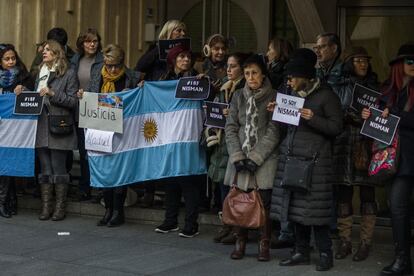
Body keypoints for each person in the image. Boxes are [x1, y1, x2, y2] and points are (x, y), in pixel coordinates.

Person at [270, 48, 343, 271]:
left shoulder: (326, 95)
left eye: (292, 78)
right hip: (292, 159)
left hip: (315, 163)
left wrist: (314, 118)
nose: (289, 82)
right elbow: (286, 127)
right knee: (295, 209)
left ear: (305, 77)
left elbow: (336, 127)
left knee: (315, 211)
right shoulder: (291, 96)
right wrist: (275, 112)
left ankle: (324, 253)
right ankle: (300, 251)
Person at [361, 43, 414, 275]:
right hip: (397, 161)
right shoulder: (388, 90)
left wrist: (396, 115)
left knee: (399, 208)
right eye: (410, 62)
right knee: (398, 208)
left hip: (409, 156)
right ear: (399, 66)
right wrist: (368, 115)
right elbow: (377, 124)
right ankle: (402, 260)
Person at [15, 39, 79, 221]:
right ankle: (46, 207)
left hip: (60, 125)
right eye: (43, 50)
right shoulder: (40, 72)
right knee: (45, 168)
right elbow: (37, 96)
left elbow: (73, 101)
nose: (43, 52)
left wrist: (53, 94)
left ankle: (60, 208)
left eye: (48, 50)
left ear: (57, 53)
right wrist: (24, 90)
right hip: (41, 124)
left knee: (59, 168)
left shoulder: (69, 73)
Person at [225, 54, 280, 261]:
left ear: (263, 74)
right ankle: (240, 241)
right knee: (240, 199)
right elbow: (231, 128)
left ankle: (263, 244)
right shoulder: (238, 96)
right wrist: (237, 156)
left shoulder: (274, 96)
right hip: (240, 157)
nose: (250, 77)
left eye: (254, 73)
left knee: (263, 203)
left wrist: (256, 157)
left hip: (264, 159)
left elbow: (274, 130)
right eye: (247, 73)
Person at [78, 44, 139, 227]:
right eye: (109, 65)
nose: (112, 69)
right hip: (100, 126)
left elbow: (137, 101)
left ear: (122, 63)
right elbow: (91, 93)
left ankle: (118, 211)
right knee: (104, 167)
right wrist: (83, 95)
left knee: (119, 168)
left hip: (122, 129)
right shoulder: (98, 73)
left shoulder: (132, 77)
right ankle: (108, 209)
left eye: (116, 66)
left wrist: (135, 92)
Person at [333, 46, 379, 262]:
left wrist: (369, 117)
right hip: (343, 144)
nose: (363, 64)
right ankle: (345, 241)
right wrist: (349, 116)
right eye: (359, 60)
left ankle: (365, 242)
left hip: (366, 144)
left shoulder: (374, 85)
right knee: (344, 195)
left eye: (365, 60)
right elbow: (332, 112)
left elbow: (382, 116)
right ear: (350, 62)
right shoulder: (338, 85)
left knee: (368, 195)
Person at [134, 19, 187, 207]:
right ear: (167, 33)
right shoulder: (155, 52)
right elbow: (139, 68)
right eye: (177, 31)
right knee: (153, 148)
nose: (181, 33)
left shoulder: (184, 54)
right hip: (156, 107)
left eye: (183, 31)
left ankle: (173, 192)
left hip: (176, 110)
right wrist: (162, 48)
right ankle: (149, 191)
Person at [154, 44, 203, 238]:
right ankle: (170, 220)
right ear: (173, 60)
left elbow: (209, 98)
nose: (185, 60)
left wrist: (205, 84)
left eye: (188, 57)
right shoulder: (164, 80)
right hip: (169, 136)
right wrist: (144, 88)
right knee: (171, 180)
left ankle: (192, 223)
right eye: (181, 57)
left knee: (188, 180)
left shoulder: (197, 80)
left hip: (189, 136)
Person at [208, 53, 246, 244]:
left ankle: (236, 227)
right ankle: (226, 224)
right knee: (223, 185)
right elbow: (214, 110)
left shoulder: (244, 87)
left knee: (234, 187)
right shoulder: (223, 87)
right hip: (222, 142)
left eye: (233, 66)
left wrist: (233, 114)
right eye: (228, 66)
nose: (229, 70)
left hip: (237, 142)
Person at [0, 43, 34, 218]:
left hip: (16, 129)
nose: (11, 61)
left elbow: (33, 96)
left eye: (13, 58)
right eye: (6, 59)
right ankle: (7, 201)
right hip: (1, 127)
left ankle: (6, 201)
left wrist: (24, 90)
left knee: (9, 162)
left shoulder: (23, 76)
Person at [70, 28, 104, 201]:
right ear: (81, 44)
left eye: (95, 41)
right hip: (78, 111)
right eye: (88, 41)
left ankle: (99, 188)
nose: (92, 44)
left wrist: (138, 80)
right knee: (84, 152)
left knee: (97, 151)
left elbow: (125, 74)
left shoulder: (104, 60)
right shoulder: (75, 60)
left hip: (98, 111)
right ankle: (85, 188)